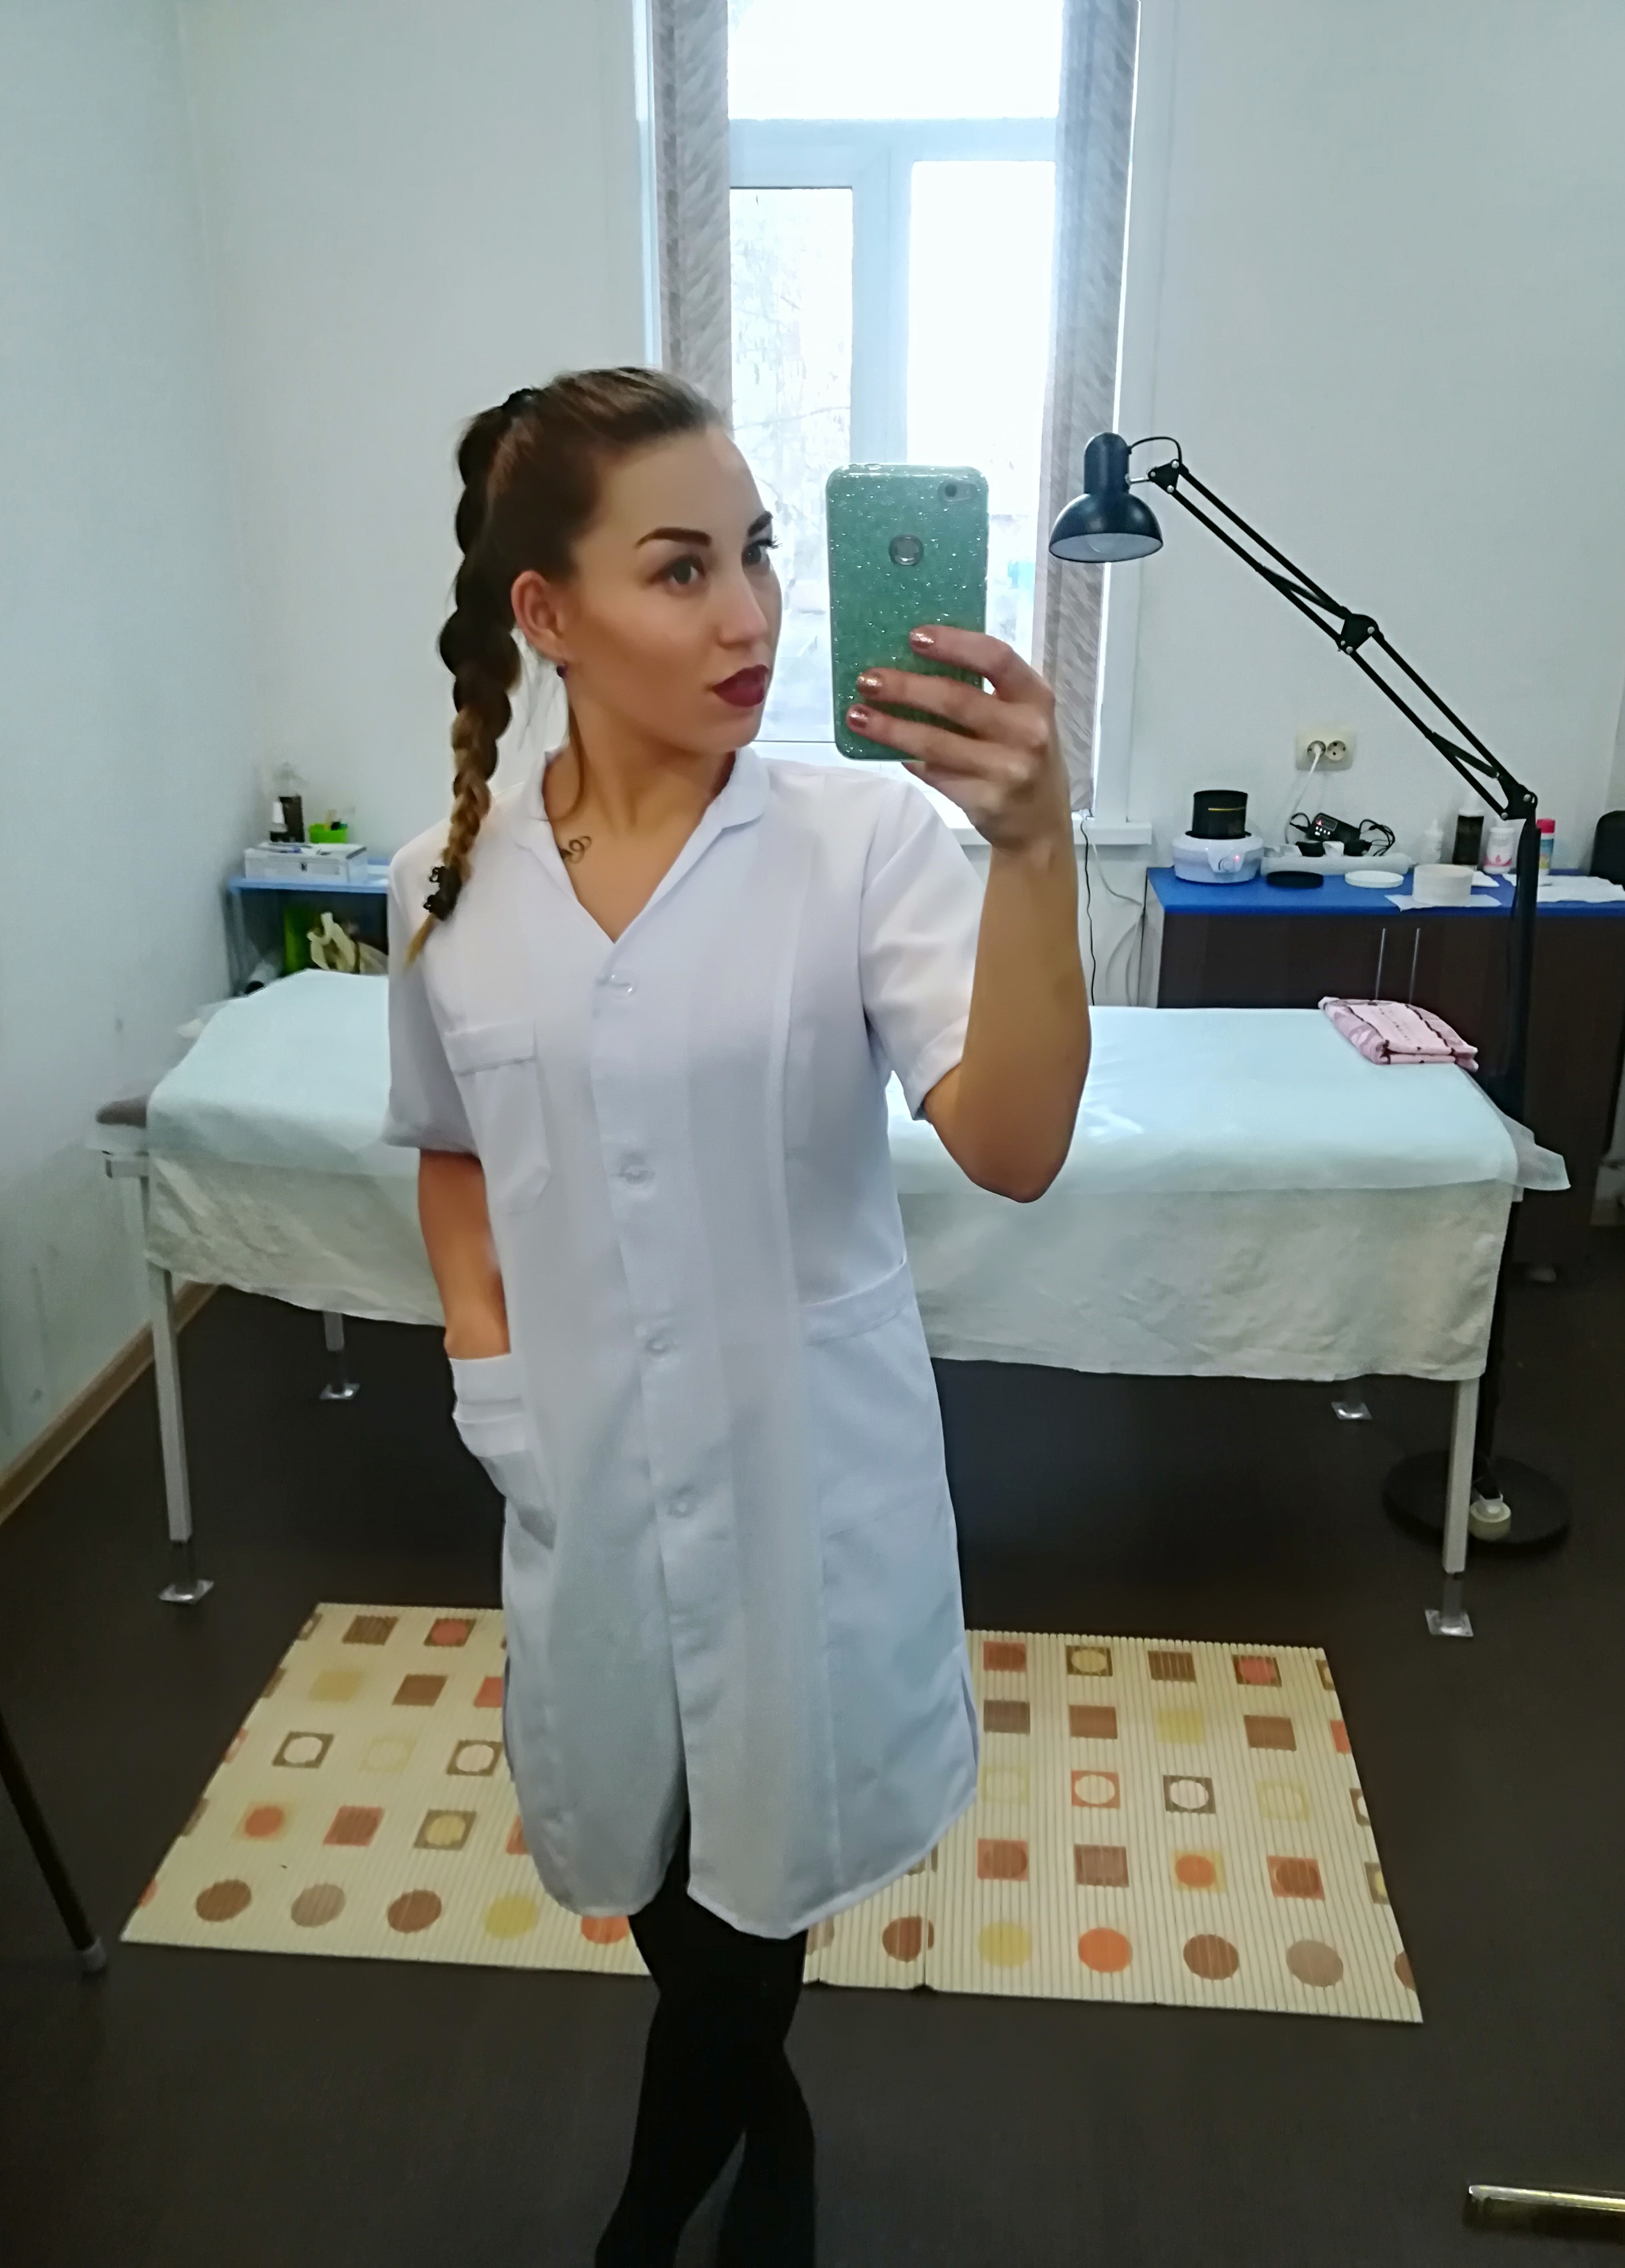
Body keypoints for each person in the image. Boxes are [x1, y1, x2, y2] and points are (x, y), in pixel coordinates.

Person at [383, 366, 1090, 2266]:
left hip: (803, 1483)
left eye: (760, 555)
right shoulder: (446, 883)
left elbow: (1015, 1144)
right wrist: (486, 1368)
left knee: (755, 1890)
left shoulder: (859, 842)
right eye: (682, 568)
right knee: (661, 1870)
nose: (751, 615)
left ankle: (645, 2228)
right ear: (547, 614)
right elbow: (451, 1153)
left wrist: (1037, 851)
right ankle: (769, 2135)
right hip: (585, 1469)